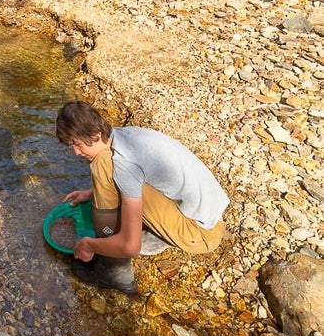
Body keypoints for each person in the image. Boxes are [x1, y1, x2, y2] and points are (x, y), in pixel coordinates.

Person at [55, 100, 229, 295]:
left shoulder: (123, 164)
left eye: (77, 145)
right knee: (108, 165)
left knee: (101, 164)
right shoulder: (124, 137)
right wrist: (92, 193)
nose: (76, 153)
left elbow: (130, 246)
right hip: (207, 216)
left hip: (200, 233)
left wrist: (88, 244)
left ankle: (113, 271)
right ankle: (156, 235)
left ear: (95, 134)